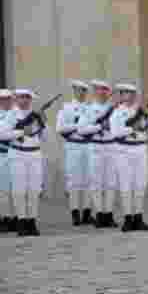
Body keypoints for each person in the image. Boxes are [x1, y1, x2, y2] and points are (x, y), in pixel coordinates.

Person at [109, 83, 148, 231]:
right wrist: (132, 128)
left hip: (140, 150)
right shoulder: (117, 113)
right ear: (121, 95)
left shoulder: (143, 112)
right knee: (126, 185)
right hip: (123, 151)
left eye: (131, 93)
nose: (129, 96)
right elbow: (115, 132)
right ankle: (127, 218)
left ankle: (138, 217)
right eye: (125, 93)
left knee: (139, 185)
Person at [3, 90, 47, 236]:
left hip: (34, 154)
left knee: (34, 190)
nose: (25, 100)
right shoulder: (11, 115)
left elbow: (45, 136)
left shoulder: (36, 115)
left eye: (27, 98)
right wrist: (22, 132)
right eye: (22, 97)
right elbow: (3, 133)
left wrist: (43, 122)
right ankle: (21, 222)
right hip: (17, 154)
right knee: (19, 190)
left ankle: (32, 221)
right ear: (17, 99)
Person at [81, 80, 120, 228]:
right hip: (96, 148)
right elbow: (82, 129)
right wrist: (98, 127)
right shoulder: (89, 110)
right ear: (95, 92)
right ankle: (99, 214)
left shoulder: (115, 110)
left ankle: (108, 214)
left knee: (110, 183)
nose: (102, 92)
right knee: (96, 183)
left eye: (105, 90)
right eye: (99, 90)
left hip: (111, 147)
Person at [55, 80, 91, 225]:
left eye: (83, 90)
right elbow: (60, 128)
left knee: (89, 180)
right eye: (78, 90)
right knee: (74, 181)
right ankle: (75, 213)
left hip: (88, 146)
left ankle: (87, 213)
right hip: (73, 146)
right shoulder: (66, 109)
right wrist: (77, 126)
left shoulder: (90, 108)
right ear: (74, 91)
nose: (81, 93)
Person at [0, 90, 16, 232]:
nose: (5, 102)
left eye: (8, 99)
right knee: (3, 190)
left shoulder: (15, 115)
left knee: (15, 188)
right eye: (3, 99)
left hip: (15, 154)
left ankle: (15, 217)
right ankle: (4, 218)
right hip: (1, 155)